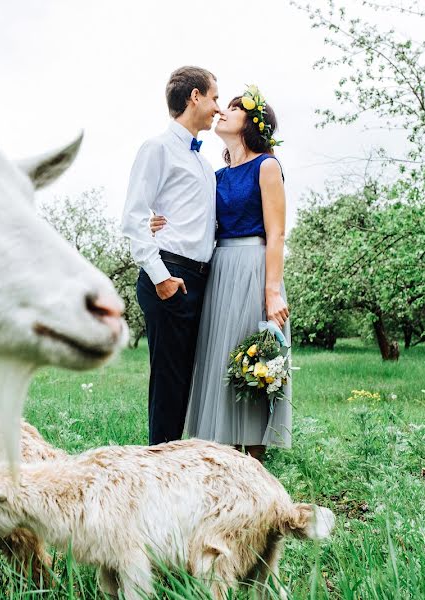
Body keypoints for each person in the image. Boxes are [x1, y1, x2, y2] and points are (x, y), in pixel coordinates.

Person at [150, 86, 291, 461]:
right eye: (223, 104)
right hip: (219, 269)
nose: (224, 111)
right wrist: (158, 225)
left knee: (253, 360)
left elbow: (276, 232)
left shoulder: (267, 166)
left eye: (235, 107)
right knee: (222, 362)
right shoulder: (217, 175)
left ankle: (255, 467)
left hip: (253, 268)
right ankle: (225, 465)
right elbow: (197, 218)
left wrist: (272, 291)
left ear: (253, 123)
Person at [120, 66, 221, 445]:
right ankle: (159, 475)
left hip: (200, 277)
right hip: (171, 274)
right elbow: (133, 216)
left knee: (187, 382)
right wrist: (161, 276)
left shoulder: (203, 162)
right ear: (194, 96)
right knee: (169, 383)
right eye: (213, 98)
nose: (216, 107)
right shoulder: (157, 148)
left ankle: (177, 466)